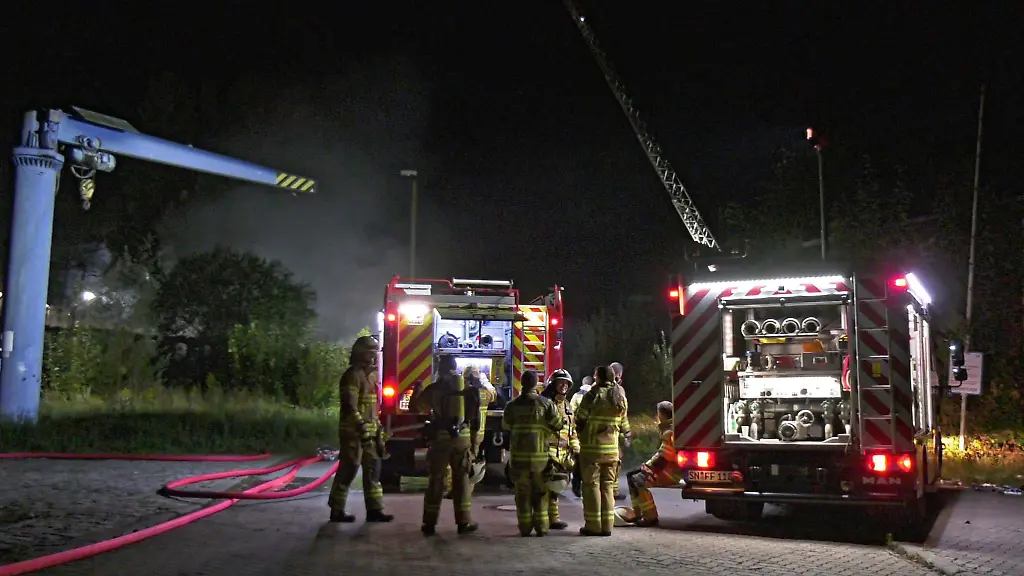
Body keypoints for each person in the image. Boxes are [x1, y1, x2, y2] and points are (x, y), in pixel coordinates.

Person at [409, 354, 479, 536]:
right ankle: (464, 522)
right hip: (462, 439)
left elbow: (414, 407)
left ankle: (429, 523)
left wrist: (417, 389)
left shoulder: (434, 389)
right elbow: (475, 414)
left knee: (436, 479)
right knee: (461, 480)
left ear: (440, 369)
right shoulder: (466, 387)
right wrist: (474, 441)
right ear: (455, 368)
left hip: (441, 439)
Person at [327, 335, 394, 523]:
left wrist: (378, 429)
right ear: (360, 353)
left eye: (375, 351)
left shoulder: (371, 376)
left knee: (373, 470)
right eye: (370, 351)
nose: (374, 355)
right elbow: (351, 406)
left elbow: (372, 407)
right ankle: (337, 510)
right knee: (349, 469)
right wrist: (362, 429)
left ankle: (374, 510)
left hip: (370, 433)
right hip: (353, 433)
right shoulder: (352, 376)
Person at [502, 370, 564, 537]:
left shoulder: (512, 405)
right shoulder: (545, 404)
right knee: (541, 492)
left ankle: (525, 528)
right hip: (540, 458)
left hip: (518, 459)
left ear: (522, 383)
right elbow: (558, 424)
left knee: (522, 494)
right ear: (536, 384)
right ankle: (542, 528)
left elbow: (506, 426)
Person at [575, 365, 630, 536]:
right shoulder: (619, 396)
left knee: (591, 486)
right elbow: (624, 424)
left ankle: (593, 526)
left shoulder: (593, 395)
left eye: (595, 375)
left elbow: (580, 419)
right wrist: (626, 437)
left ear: (599, 377)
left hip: (592, 450)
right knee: (607, 487)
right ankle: (607, 526)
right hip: (612, 451)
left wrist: (580, 436)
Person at [624, 401, 683, 527]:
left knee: (639, 481)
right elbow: (661, 455)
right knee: (631, 475)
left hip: (669, 473)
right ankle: (637, 513)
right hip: (667, 469)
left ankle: (650, 517)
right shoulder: (669, 428)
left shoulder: (669, 432)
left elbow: (664, 457)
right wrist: (647, 465)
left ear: (661, 414)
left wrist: (649, 469)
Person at [444, 364, 496, 498]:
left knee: (456, 463)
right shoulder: (485, 394)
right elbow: (494, 395)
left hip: (463, 432)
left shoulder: (464, 392)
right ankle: (466, 490)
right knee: (471, 463)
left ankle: (454, 490)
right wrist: (486, 381)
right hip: (479, 434)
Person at [541, 369, 579, 530]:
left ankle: (553, 518)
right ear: (553, 384)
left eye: (566, 383)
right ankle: (544, 519)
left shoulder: (567, 405)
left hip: (563, 453)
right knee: (545, 487)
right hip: (548, 451)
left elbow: (572, 430)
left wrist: (575, 447)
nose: (564, 386)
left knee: (555, 488)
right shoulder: (545, 404)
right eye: (561, 382)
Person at [569, 371, 596, 497]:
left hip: (579, 431)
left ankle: (576, 485)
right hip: (592, 432)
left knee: (579, 458)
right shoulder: (595, 395)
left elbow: (571, 412)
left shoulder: (576, 396)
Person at [609, 361, 632, 501]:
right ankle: (613, 491)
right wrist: (627, 434)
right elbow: (623, 415)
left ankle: (608, 490)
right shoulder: (618, 390)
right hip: (612, 434)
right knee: (615, 462)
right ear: (619, 375)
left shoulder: (594, 389)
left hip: (594, 437)